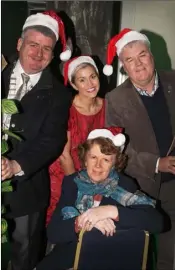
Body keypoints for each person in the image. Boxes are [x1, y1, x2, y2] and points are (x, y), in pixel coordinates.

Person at [36, 127, 165, 270]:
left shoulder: (124, 184)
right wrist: (83, 221)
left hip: (111, 260)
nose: (98, 165)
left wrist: (110, 212)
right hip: (70, 259)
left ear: (115, 164)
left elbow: (158, 222)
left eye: (106, 160)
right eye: (93, 157)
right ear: (85, 159)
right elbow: (54, 233)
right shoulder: (72, 182)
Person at [1, 10, 72, 270]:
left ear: (53, 55)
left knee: (24, 254)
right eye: (33, 44)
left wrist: (15, 165)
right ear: (20, 44)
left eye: (46, 48)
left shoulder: (59, 95)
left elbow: (51, 141)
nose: (38, 53)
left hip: (27, 190)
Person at [104, 28, 175, 270]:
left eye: (142, 55)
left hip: (173, 188)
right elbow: (115, 151)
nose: (138, 64)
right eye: (130, 60)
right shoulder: (114, 99)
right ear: (123, 66)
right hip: (138, 187)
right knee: (136, 253)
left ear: (152, 56)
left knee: (170, 253)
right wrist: (156, 163)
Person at [46, 56, 105, 225]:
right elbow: (64, 155)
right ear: (73, 85)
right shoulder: (67, 108)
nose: (90, 84)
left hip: (95, 177)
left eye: (92, 77)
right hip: (64, 177)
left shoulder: (108, 106)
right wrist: (78, 187)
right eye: (82, 80)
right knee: (62, 226)